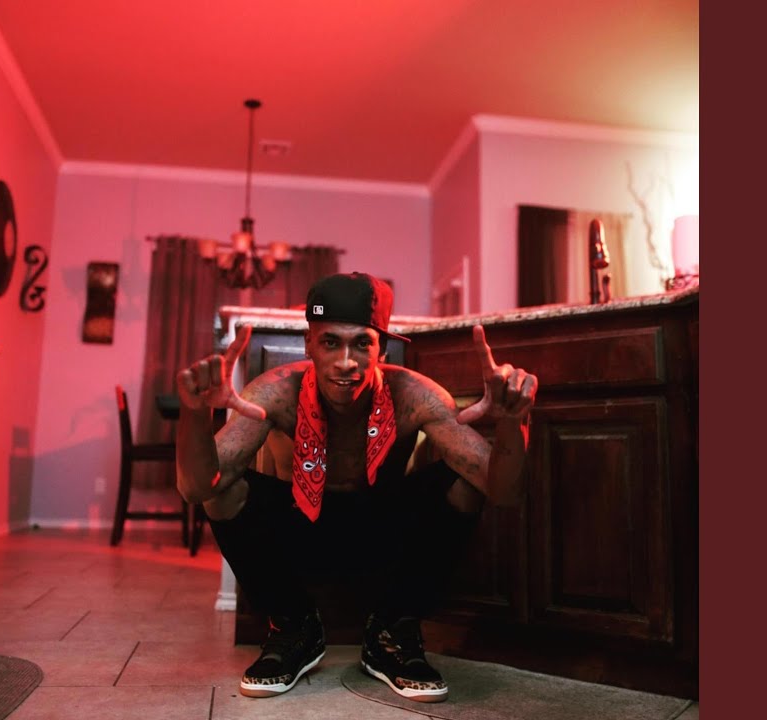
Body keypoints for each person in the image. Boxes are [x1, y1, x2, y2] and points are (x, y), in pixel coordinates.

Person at [175, 272, 537, 703]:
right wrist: (195, 414)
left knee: (465, 486)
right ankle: (293, 627)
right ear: (309, 344)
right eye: (330, 342)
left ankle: (392, 632)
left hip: (382, 536)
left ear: (382, 349)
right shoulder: (275, 394)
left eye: (362, 344)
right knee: (223, 492)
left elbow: (503, 492)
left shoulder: (415, 396)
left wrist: (513, 423)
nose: (346, 361)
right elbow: (196, 489)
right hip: (302, 534)